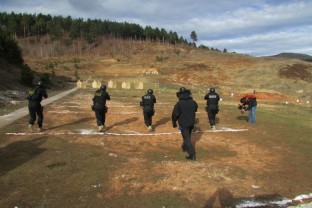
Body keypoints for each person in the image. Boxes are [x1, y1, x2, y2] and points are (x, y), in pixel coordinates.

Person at [172, 87, 198, 161]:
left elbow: (175, 114)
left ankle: (192, 154)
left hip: (183, 124)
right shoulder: (193, 102)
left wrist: (174, 122)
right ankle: (184, 147)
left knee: (186, 138)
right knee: (187, 136)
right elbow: (195, 109)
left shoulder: (179, 103)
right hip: (191, 123)